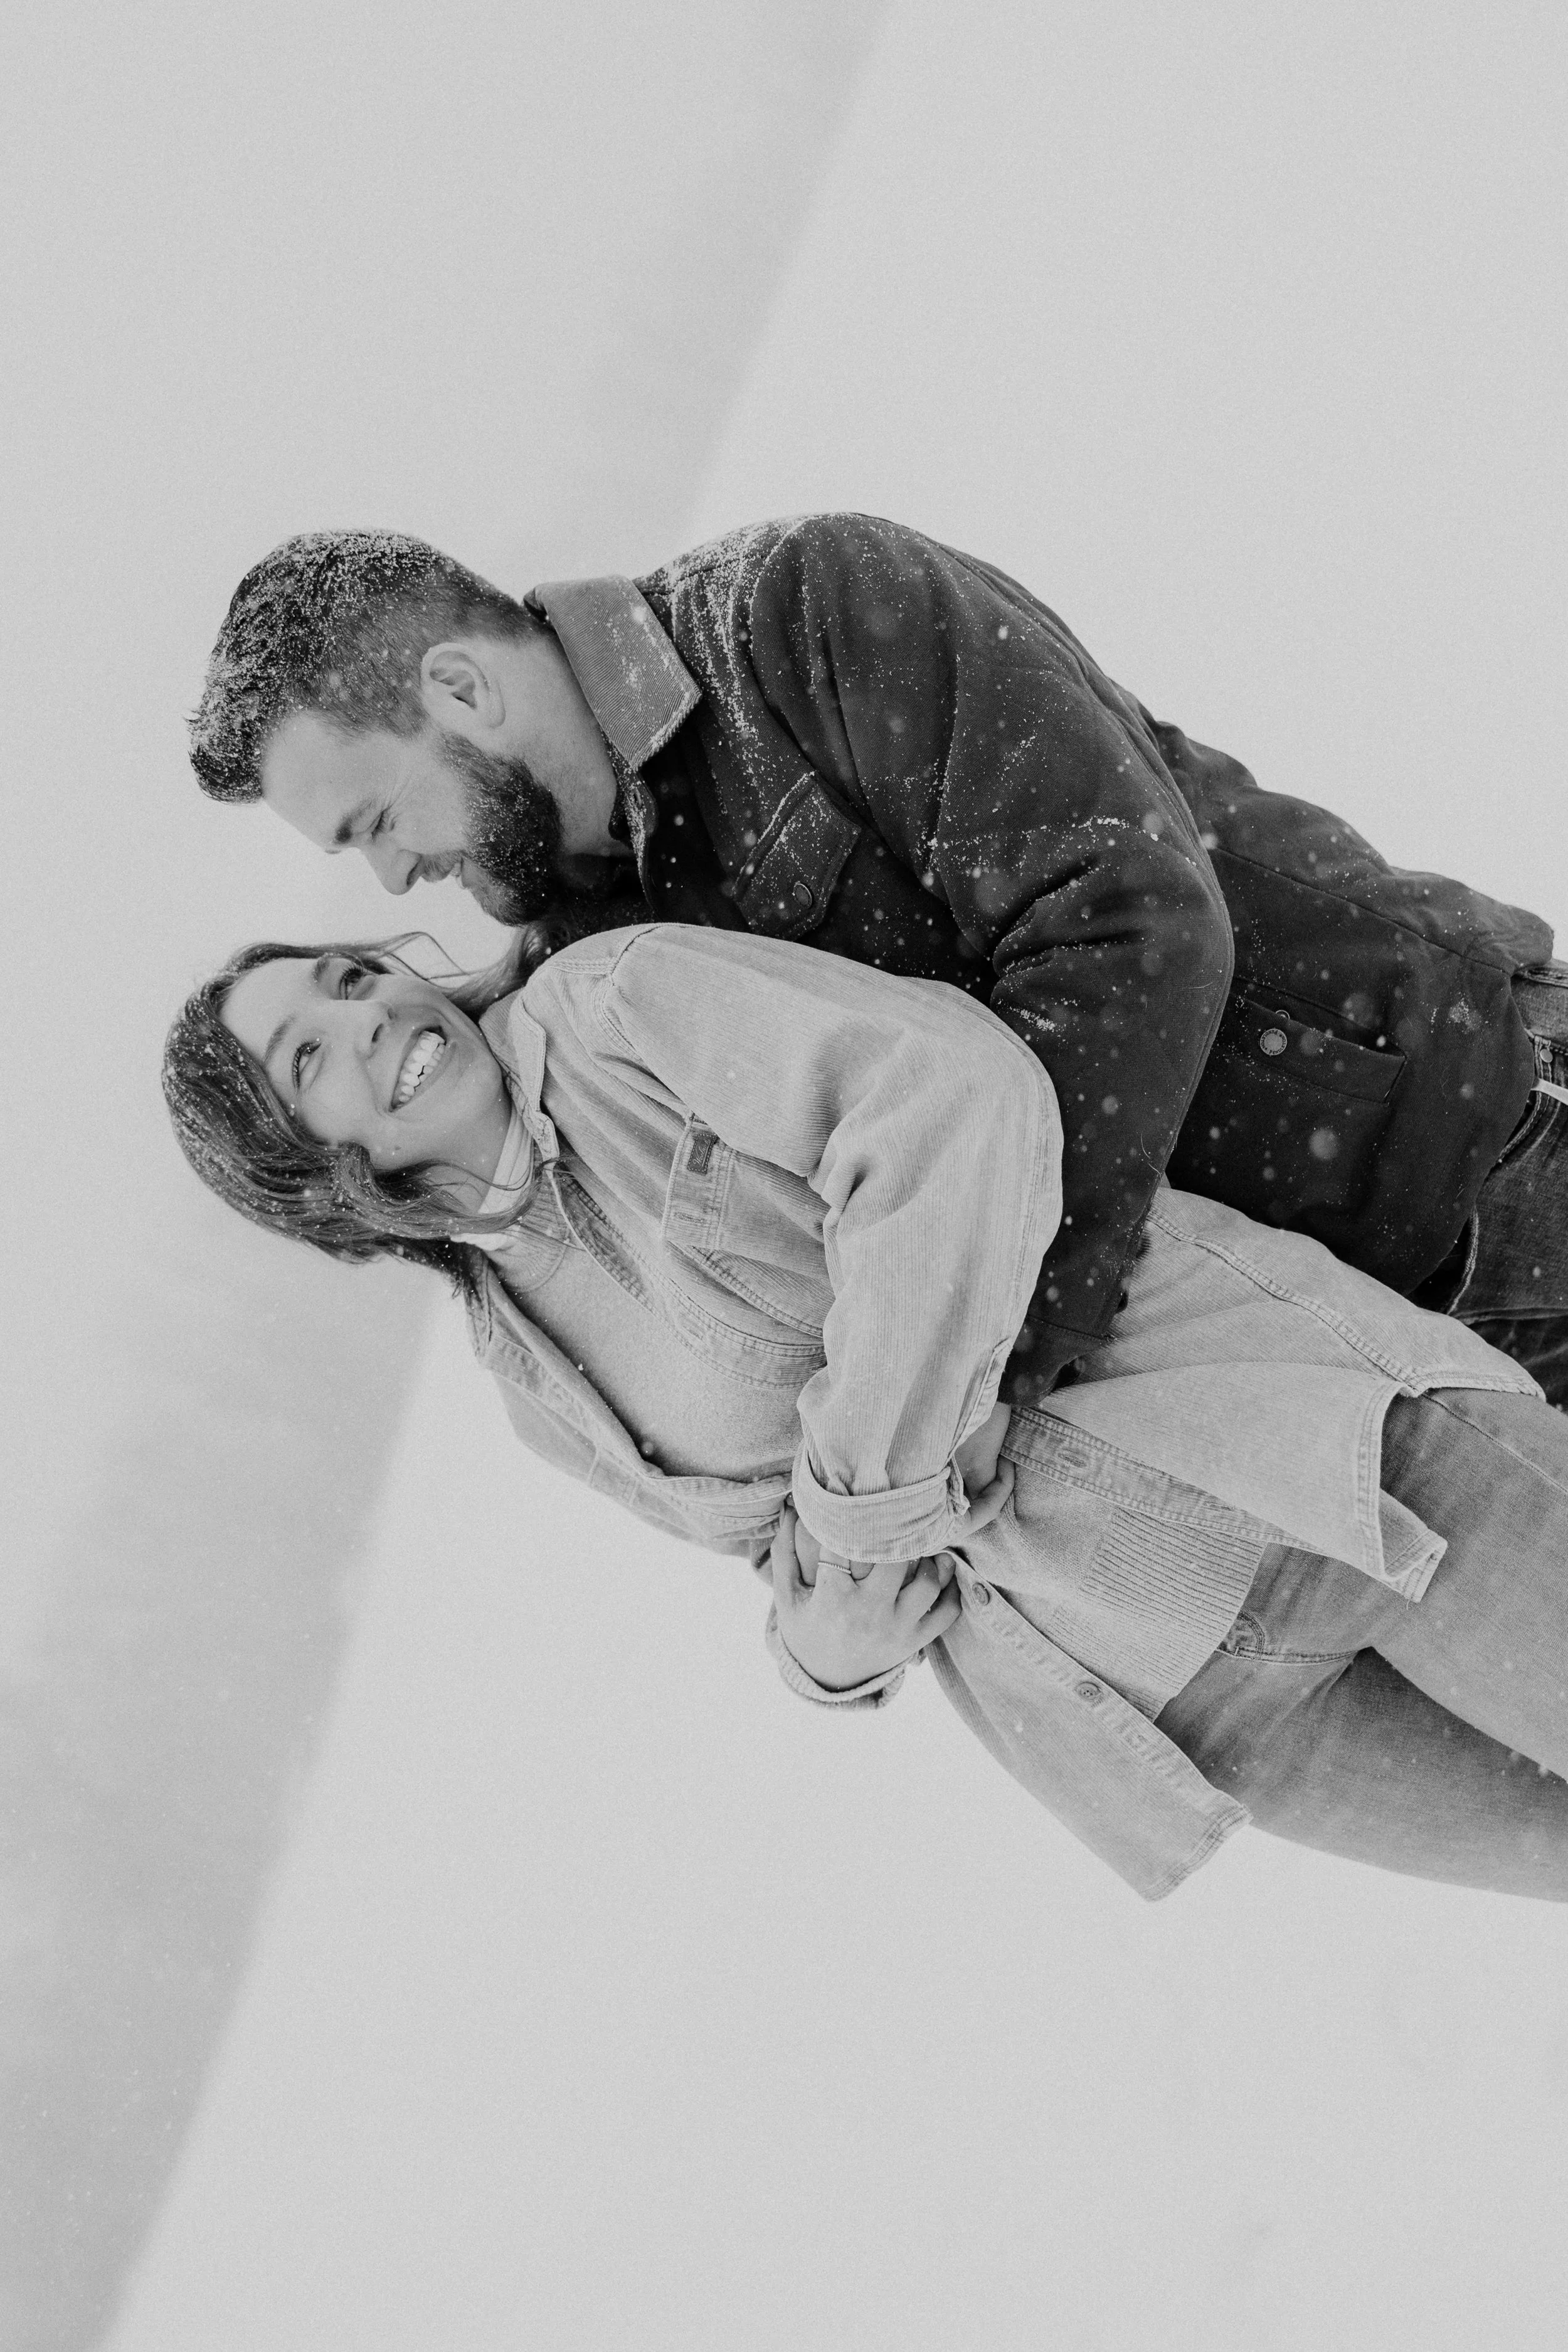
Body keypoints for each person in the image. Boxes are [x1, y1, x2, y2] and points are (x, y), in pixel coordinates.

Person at [164, 919, 1568, 1903]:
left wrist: (861, 1496)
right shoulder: (526, 1375)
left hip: (1306, 1450)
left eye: (347, 981)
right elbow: (790, 1562)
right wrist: (822, 1653)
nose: (368, 1020)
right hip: (1192, 1697)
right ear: (316, 1177)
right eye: (309, 1059)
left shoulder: (613, 1014)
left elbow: (948, 1104)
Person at [186, 519, 1568, 1409]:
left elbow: (1127, 922)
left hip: (1478, 1143)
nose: (389, 883)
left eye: (375, 821)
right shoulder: (588, 976)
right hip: (1355, 1364)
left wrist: (984, 1359)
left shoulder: (806, 611)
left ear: (461, 693)